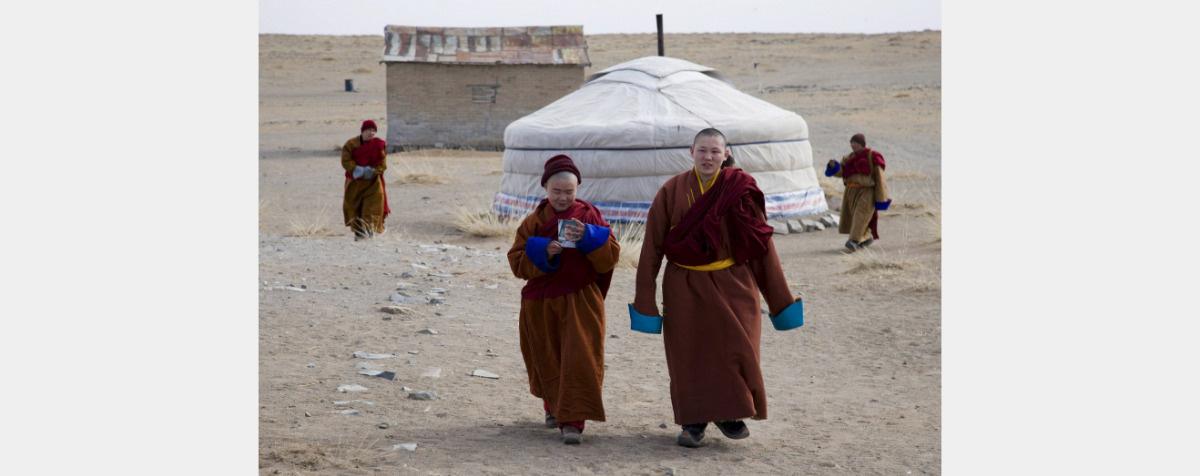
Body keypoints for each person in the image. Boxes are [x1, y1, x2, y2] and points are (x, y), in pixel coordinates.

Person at [630, 128, 804, 448]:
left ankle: (730, 414)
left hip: (734, 281)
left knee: (737, 347)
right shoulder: (671, 191)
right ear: (691, 151)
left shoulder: (739, 189)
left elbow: (760, 245)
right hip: (684, 283)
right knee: (688, 354)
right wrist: (645, 302)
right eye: (702, 151)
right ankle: (692, 423)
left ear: (726, 154)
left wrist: (781, 301)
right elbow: (651, 248)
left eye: (715, 151)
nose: (708, 157)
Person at [507, 154, 621, 445]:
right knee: (547, 356)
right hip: (540, 302)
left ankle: (572, 422)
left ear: (578, 189)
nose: (562, 197)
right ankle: (553, 407)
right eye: (556, 191)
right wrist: (543, 252)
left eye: (569, 192)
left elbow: (609, 258)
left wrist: (590, 237)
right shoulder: (533, 222)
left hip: (580, 298)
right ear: (545, 188)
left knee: (579, 359)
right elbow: (517, 262)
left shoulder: (589, 216)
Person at [825, 133, 891, 252]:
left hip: (866, 191)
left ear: (861, 144)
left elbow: (880, 179)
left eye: (855, 143)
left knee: (861, 215)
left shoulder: (872, 157)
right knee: (853, 216)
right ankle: (866, 238)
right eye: (852, 143)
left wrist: (881, 198)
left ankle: (853, 241)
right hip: (850, 191)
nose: (853, 145)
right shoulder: (847, 158)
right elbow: (841, 173)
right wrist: (833, 166)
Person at [341, 120, 390, 240]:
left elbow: (382, 164)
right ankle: (359, 234)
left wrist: (373, 172)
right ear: (363, 130)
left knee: (372, 208)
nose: (371, 133)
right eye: (369, 130)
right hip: (355, 182)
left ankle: (369, 233)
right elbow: (346, 160)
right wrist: (358, 170)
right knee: (354, 207)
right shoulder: (351, 144)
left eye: (374, 131)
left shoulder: (378, 145)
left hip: (373, 183)